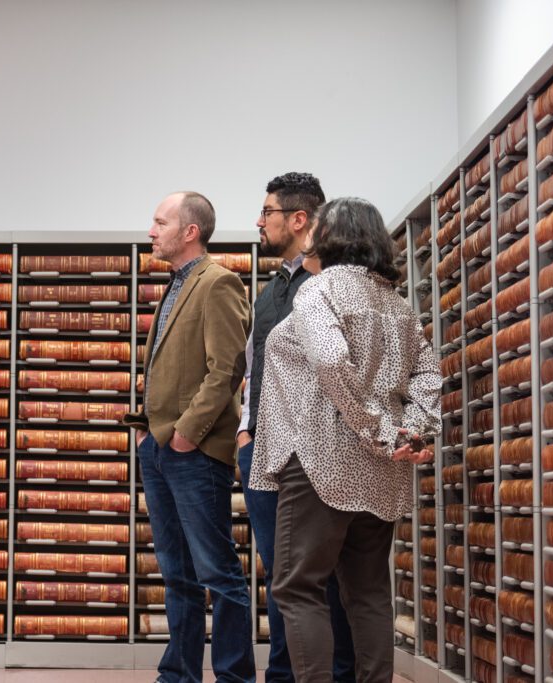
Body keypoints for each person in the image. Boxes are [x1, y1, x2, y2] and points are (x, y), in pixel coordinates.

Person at [253, 197, 440, 682]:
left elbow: (332, 362)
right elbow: (427, 374)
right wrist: (411, 431)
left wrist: (377, 430)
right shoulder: (397, 304)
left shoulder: (318, 292)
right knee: (369, 591)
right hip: (384, 471)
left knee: (297, 587)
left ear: (331, 235)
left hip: (321, 459)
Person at [123, 191, 254, 683]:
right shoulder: (176, 286)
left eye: (160, 222)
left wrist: (184, 435)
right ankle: (178, 674)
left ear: (189, 231)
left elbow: (227, 368)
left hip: (194, 452)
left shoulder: (218, 283)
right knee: (176, 574)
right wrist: (152, 436)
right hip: (159, 450)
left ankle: (234, 677)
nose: (151, 231)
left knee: (219, 575)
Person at [238, 172, 355, 681]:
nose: (259, 222)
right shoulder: (269, 291)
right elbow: (253, 363)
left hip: (312, 454)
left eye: (267, 212)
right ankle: (285, 676)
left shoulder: (331, 285)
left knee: (320, 579)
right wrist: (246, 430)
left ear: (299, 219)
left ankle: (332, 675)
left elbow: (344, 369)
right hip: (263, 450)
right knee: (281, 577)